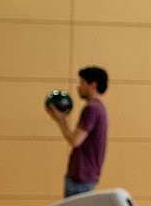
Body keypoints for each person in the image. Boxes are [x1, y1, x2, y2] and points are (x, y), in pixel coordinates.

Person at [46, 66, 109, 198]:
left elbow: (75, 141)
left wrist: (61, 122)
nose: (79, 87)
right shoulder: (99, 108)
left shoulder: (91, 109)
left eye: (82, 83)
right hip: (85, 176)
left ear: (93, 84)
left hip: (81, 178)